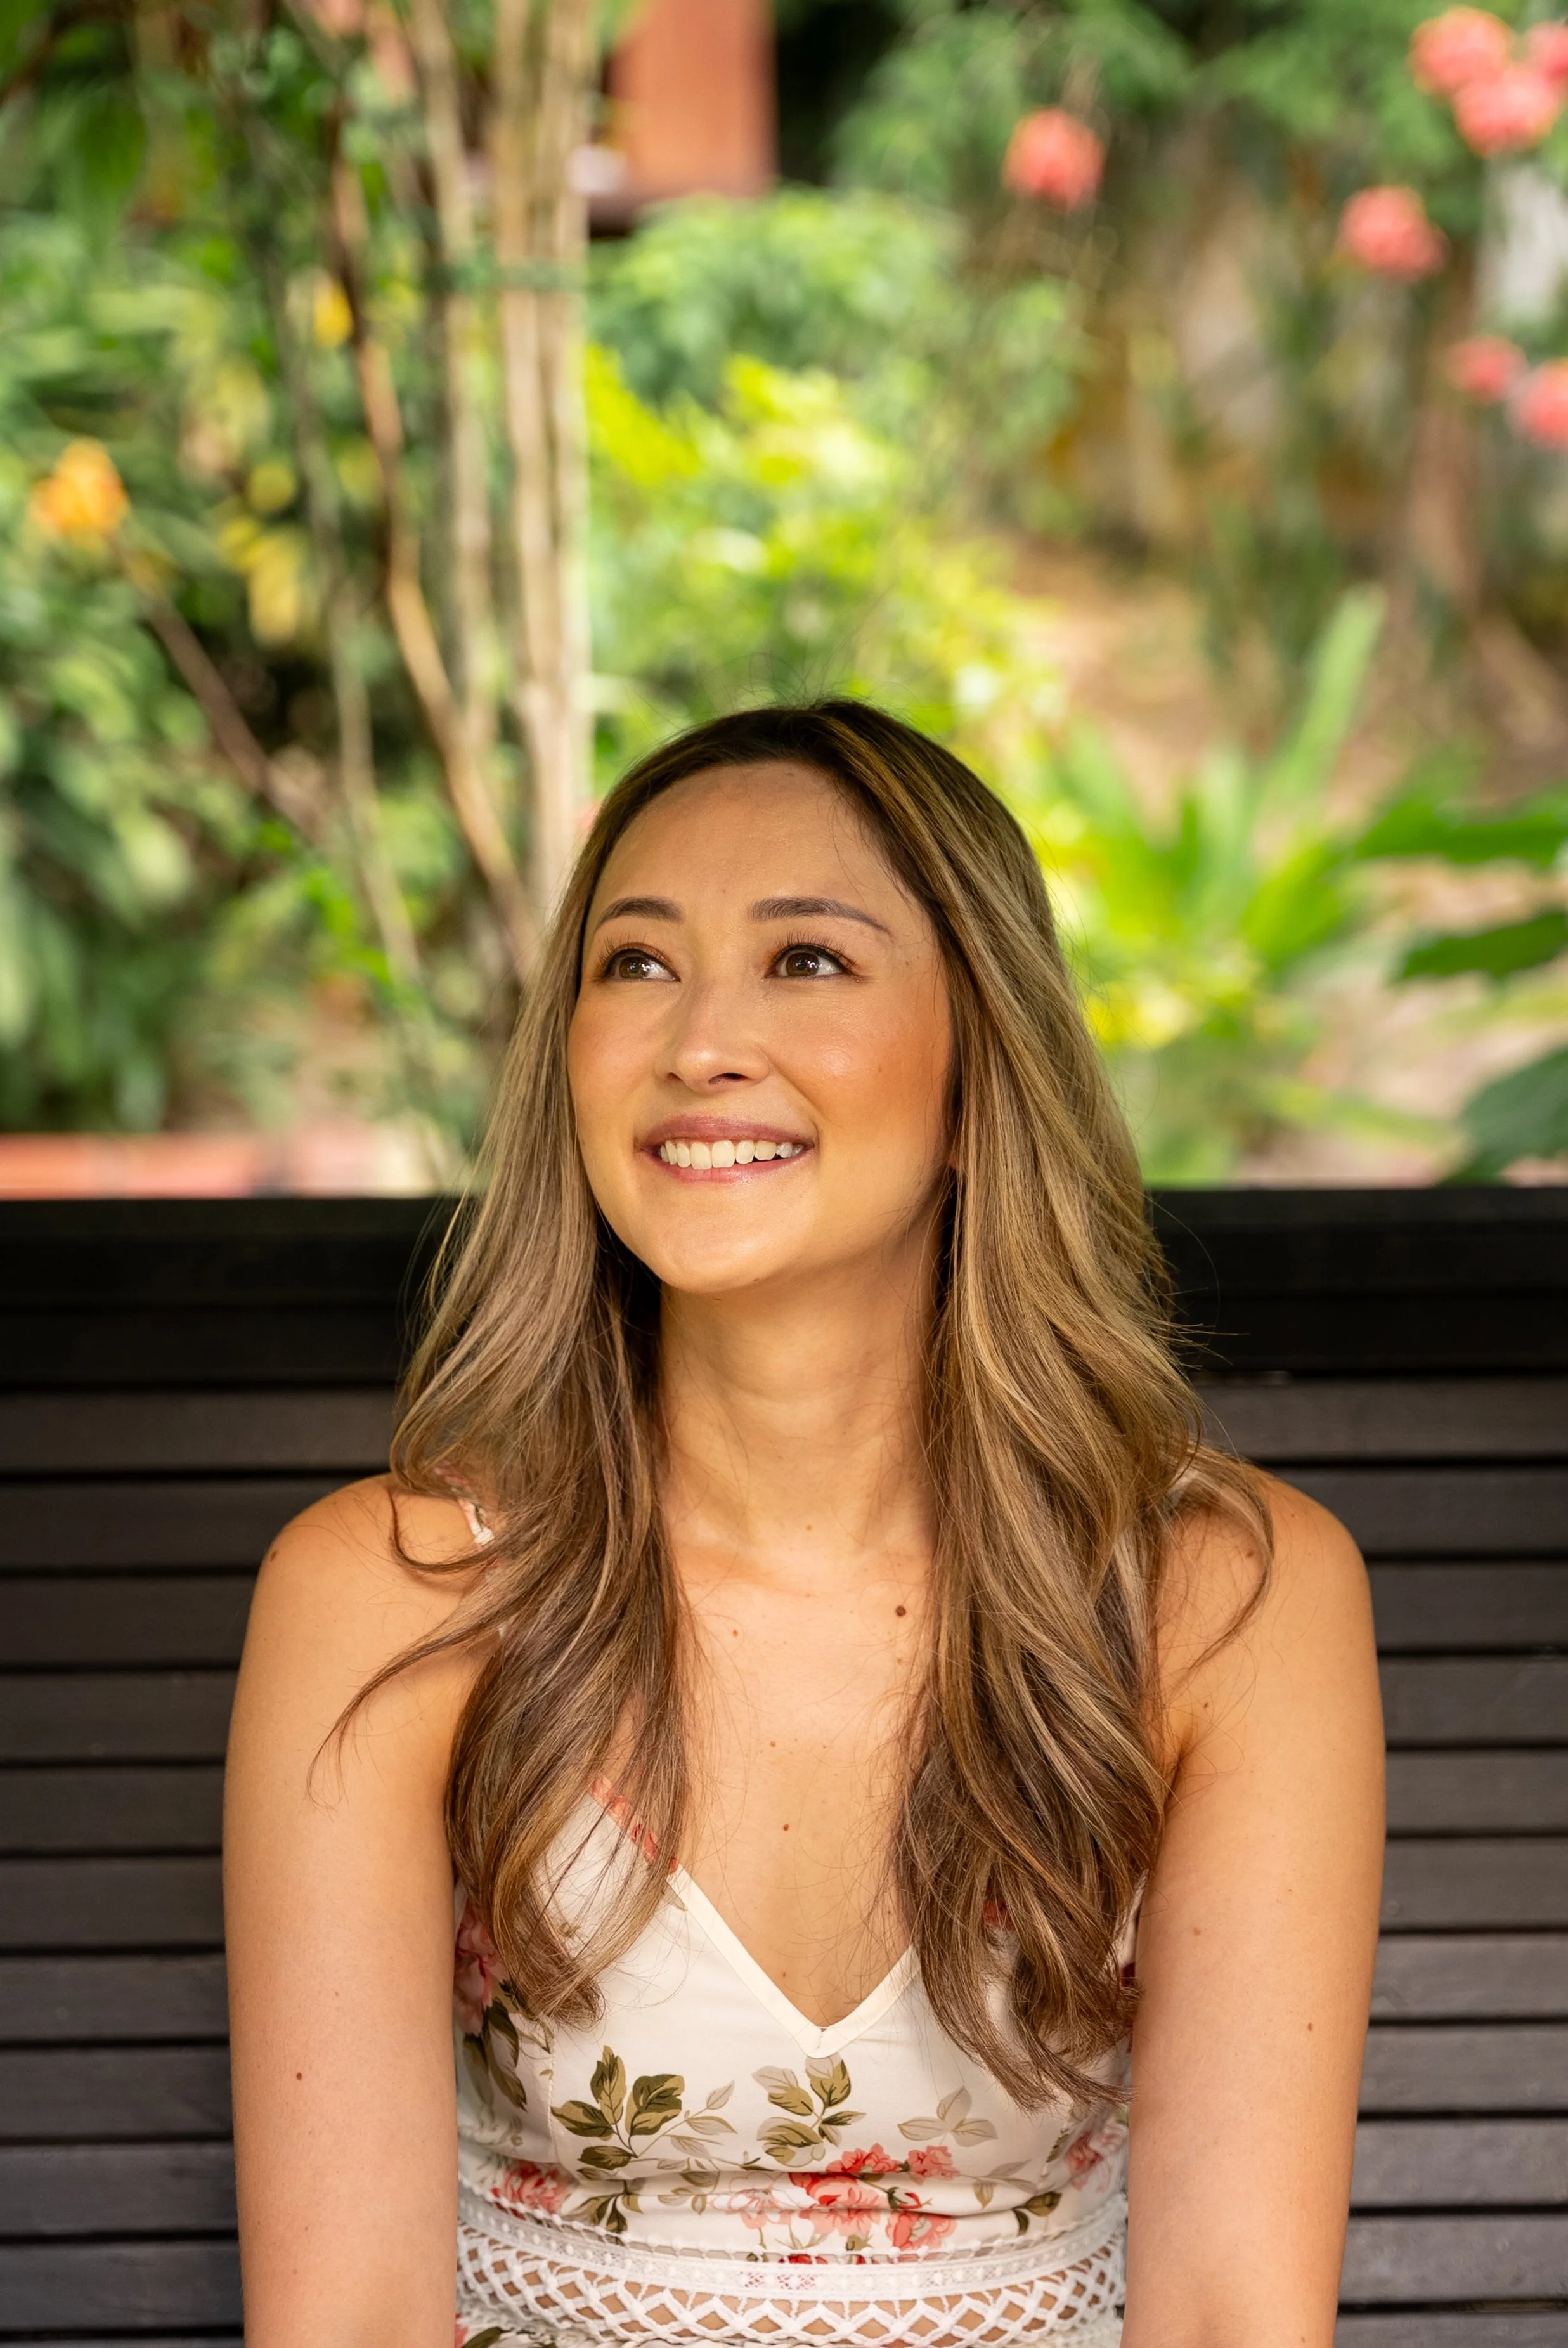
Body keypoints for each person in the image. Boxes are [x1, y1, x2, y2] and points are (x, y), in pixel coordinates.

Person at [224, 701, 1384, 2348]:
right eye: (635, 963)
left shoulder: (1228, 1602)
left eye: (807, 961)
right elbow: (346, 2319)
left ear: (983, 1068)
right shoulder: (390, 1597)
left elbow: (1225, 2316)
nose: (700, 1038)